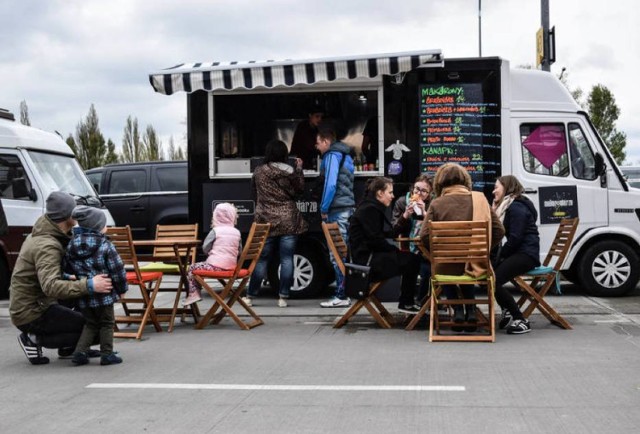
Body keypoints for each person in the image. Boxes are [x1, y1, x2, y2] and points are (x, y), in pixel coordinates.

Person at [9, 191, 113, 365]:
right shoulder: (47, 245)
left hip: (42, 301)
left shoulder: (53, 233)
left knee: (93, 313)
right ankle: (33, 338)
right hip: (31, 312)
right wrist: (89, 285)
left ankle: (69, 348)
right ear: (68, 216)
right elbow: (50, 286)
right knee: (96, 327)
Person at [419, 163, 504, 331]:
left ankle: (457, 309)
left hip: (445, 267)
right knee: (468, 260)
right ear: (465, 180)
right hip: (475, 264)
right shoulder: (480, 200)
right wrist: (482, 249)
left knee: (447, 263)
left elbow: (423, 236)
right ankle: (471, 310)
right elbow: (499, 231)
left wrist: (437, 253)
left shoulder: (436, 204)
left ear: (440, 182)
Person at [244, 140, 308, 307]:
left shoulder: (259, 172)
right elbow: (300, 190)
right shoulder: (290, 171)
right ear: (284, 154)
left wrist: (263, 206)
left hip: (266, 220)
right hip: (288, 219)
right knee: (287, 259)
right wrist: (299, 169)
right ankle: (283, 297)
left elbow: (254, 193)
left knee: (262, 259)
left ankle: (250, 296)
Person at [62, 206, 127, 366]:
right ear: (97, 226)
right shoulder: (105, 245)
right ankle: (107, 353)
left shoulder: (72, 244)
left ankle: (80, 352)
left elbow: (65, 267)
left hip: (84, 291)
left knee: (90, 323)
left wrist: (73, 278)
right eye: (104, 224)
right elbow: (117, 269)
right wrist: (122, 288)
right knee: (106, 323)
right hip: (104, 292)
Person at [349, 177, 421, 314]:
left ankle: (407, 302)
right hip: (367, 263)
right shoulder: (370, 210)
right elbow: (375, 240)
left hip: (367, 258)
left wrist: (405, 216)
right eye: (390, 192)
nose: (393, 196)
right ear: (380, 193)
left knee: (411, 259)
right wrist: (394, 251)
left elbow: (388, 233)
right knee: (412, 260)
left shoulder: (371, 207)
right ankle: (406, 302)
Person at [491, 175, 541, 334]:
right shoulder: (510, 205)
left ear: (507, 187)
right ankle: (506, 308)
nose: (494, 191)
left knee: (492, 279)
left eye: (496, 187)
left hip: (526, 255)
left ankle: (521, 319)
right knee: (488, 272)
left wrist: (501, 255)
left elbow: (516, 238)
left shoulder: (516, 207)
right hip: (521, 252)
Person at [316, 128, 356, 308]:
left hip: (336, 209)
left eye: (317, 143)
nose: (316, 147)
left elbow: (330, 184)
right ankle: (345, 292)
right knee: (343, 252)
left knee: (337, 254)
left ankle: (341, 295)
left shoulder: (332, 156)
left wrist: (323, 207)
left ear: (326, 141)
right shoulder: (346, 155)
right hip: (346, 207)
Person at [183, 202, 242, 306]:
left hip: (215, 267)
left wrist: (211, 252)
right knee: (198, 269)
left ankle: (194, 293)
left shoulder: (215, 231)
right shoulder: (236, 232)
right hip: (232, 267)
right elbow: (239, 251)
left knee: (192, 268)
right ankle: (196, 291)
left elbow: (205, 248)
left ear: (215, 216)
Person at [392, 174, 434, 303]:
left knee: (429, 268)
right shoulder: (402, 202)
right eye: (417, 189)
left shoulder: (433, 204)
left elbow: (437, 227)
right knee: (412, 263)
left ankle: (424, 302)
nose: (419, 193)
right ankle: (410, 302)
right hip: (408, 246)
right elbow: (394, 230)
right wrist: (405, 215)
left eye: (424, 191)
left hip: (428, 247)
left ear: (430, 193)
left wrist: (425, 214)